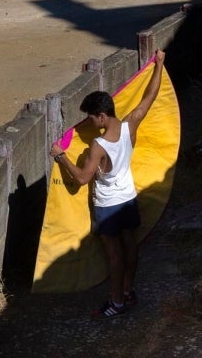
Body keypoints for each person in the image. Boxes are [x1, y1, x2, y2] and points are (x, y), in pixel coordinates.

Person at [50, 49, 165, 319]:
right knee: (131, 245)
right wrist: (159, 64)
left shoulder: (98, 145)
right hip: (128, 197)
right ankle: (127, 291)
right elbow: (150, 95)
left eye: (91, 118)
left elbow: (81, 178)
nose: (90, 123)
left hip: (108, 205)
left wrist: (61, 156)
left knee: (114, 255)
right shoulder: (130, 125)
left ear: (101, 116)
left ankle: (116, 302)